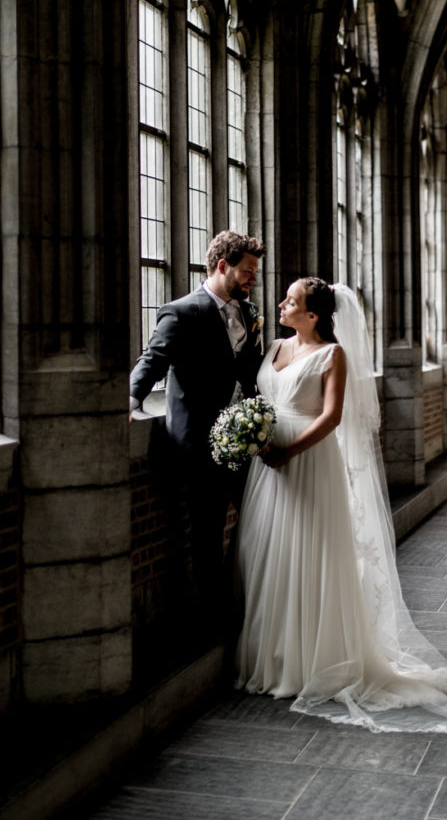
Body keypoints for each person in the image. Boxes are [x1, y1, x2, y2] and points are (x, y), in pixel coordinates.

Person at [234, 277, 447, 732]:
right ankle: (273, 657)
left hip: (308, 462)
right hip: (267, 466)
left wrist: (288, 451)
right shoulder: (272, 346)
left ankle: (308, 661)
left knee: (309, 552)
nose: (281, 303)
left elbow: (331, 417)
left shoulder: (332, 356)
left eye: (291, 301)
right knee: (269, 553)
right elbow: (260, 399)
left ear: (312, 315)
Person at [130, 230, 266, 636]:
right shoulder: (182, 312)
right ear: (222, 266)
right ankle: (213, 623)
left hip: (244, 441)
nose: (252, 279)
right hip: (198, 444)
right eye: (247, 271)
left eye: (255, 273)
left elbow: (250, 371)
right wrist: (132, 401)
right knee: (205, 534)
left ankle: (250, 607)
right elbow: (153, 359)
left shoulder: (249, 311)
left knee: (258, 522)